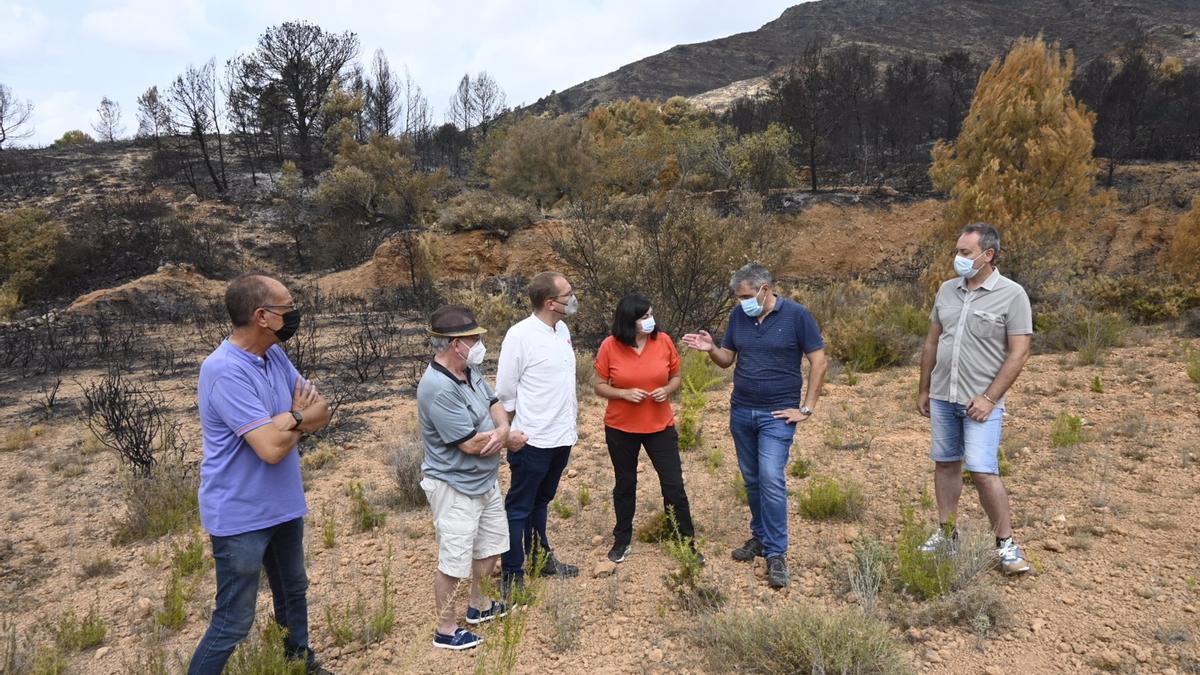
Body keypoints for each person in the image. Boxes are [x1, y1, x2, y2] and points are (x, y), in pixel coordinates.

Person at [190, 273, 331, 675]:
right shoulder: (223, 370)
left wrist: (291, 419)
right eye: (288, 308)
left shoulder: (274, 356)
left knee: (293, 592)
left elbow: (320, 410)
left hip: (283, 505)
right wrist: (298, 418)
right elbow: (269, 449)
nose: (295, 315)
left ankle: (300, 664)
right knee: (233, 620)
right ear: (263, 316)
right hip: (240, 515)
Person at [682, 263, 827, 589]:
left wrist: (806, 408)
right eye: (738, 297)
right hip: (742, 411)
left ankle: (776, 553)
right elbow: (727, 359)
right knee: (752, 479)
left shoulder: (797, 316)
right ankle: (760, 537)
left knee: (771, 477)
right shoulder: (739, 317)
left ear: (765, 288)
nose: (742, 302)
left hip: (778, 415)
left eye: (747, 295)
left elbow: (819, 361)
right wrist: (711, 350)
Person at [917, 223, 1033, 574]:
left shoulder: (1012, 295)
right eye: (958, 251)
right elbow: (932, 342)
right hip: (942, 396)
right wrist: (923, 388)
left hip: (981, 403)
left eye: (966, 253)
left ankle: (1006, 544)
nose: (958, 258)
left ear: (988, 255)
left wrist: (990, 398)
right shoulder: (946, 291)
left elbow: (1019, 353)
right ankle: (946, 534)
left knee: (983, 471)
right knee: (946, 463)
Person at [416, 305, 528, 651]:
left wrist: (502, 428)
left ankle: (478, 606)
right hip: (454, 486)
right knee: (454, 559)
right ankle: (446, 630)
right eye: (472, 338)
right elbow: (471, 445)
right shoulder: (437, 387)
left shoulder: (469, 369)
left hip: (483, 481)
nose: (478, 342)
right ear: (454, 344)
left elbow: (494, 403)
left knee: (491, 544)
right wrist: (508, 438)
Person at [594, 293, 698, 564]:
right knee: (625, 484)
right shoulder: (610, 346)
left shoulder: (662, 341)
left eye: (651, 314)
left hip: (660, 426)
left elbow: (675, 377)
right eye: (645, 317)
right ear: (630, 321)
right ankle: (622, 539)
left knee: (673, 484)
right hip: (621, 428)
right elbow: (598, 384)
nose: (651, 320)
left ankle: (685, 541)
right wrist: (623, 394)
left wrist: (666, 390)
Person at [495, 271, 580, 595]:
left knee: (541, 501)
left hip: (561, 436)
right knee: (519, 506)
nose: (572, 300)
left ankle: (540, 558)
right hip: (532, 440)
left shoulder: (562, 330)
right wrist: (514, 432)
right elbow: (505, 390)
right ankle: (512, 574)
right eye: (567, 295)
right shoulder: (520, 336)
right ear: (550, 303)